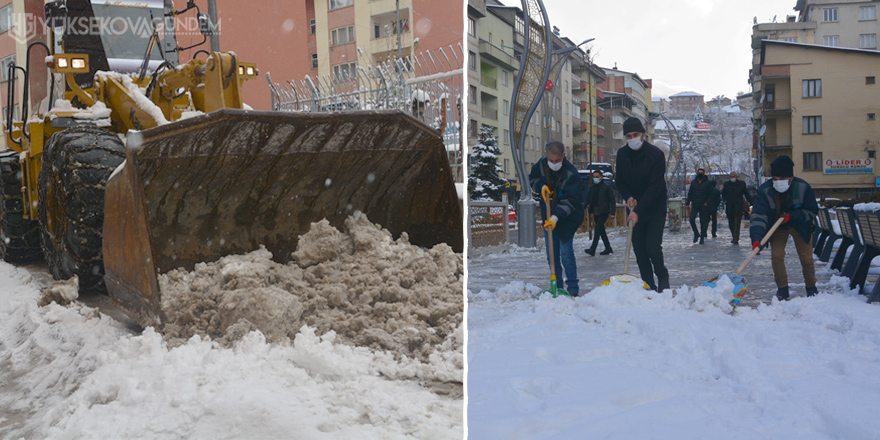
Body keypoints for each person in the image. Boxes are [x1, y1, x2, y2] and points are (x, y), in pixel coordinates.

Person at [749, 155, 819, 300]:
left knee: (806, 258)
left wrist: (792, 216)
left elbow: (811, 212)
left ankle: (811, 287)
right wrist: (757, 238)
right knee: (777, 256)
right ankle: (782, 289)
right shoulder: (765, 191)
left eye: (782, 179)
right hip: (777, 227)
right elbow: (759, 216)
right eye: (775, 179)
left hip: (801, 226)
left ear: (791, 178)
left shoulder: (802, 187)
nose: (778, 182)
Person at [615, 117, 670, 292]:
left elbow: (655, 187)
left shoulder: (655, 155)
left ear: (643, 134)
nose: (632, 138)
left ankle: (662, 277)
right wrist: (628, 196)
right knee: (640, 251)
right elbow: (620, 181)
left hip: (654, 208)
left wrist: (638, 210)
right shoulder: (622, 154)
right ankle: (649, 284)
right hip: (634, 208)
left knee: (653, 248)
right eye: (629, 136)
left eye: (635, 134)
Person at [530, 141, 585, 296]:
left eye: (557, 160)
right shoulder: (541, 165)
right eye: (551, 160)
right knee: (551, 254)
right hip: (548, 216)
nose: (554, 164)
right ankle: (558, 288)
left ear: (563, 156)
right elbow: (532, 178)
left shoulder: (571, 173)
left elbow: (571, 200)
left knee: (566, 254)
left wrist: (556, 217)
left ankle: (573, 290)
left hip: (568, 218)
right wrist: (540, 186)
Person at [584, 170, 615, 256]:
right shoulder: (593, 188)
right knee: (601, 230)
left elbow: (612, 200)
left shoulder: (606, 187)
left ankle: (593, 249)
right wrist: (583, 207)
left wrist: (613, 212)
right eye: (594, 177)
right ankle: (608, 248)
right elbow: (588, 199)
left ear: (601, 177)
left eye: (597, 177)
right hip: (595, 212)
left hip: (604, 212)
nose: (595, 178)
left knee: (597, 229)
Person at [721, 171, 753, 245]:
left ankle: (736, 238)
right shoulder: (726, 184)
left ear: (736, 177)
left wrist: (752, 202)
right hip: (729, 206)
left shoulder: (741, 184)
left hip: (738, 205)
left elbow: (746, 193)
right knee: (731, 223)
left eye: (733, 176)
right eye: (731, 177)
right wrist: (725, 201)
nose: (732, 178)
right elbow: (723, 194)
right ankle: (733, 235)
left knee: (737, 223)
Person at [686, 167, 713, 244]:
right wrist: (687, 203)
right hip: (695, 204)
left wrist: (707, 202)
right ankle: (696, 233)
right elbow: (690, 193)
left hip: (703, 205)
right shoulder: (694, 182)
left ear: (704, 174)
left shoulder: (707, 183)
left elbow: (711, 194)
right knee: (691, 219)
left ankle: (702, 238)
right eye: (699, 173)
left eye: (701, 173)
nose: (700, 174)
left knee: (703, 222)